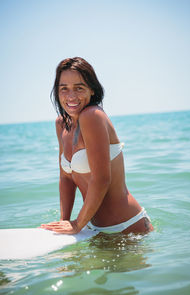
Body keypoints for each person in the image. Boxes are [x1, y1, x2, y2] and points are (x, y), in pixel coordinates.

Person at [41, 57, 153, 235]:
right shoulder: (61, 124)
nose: (71, 96)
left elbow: (101, 179)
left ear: (92, 90)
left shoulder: (92, 115)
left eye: (79, 88)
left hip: (127, 229)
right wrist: (65, 221)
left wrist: (77, 224)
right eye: (64, 89)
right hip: (94, 229)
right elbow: (66, 178)